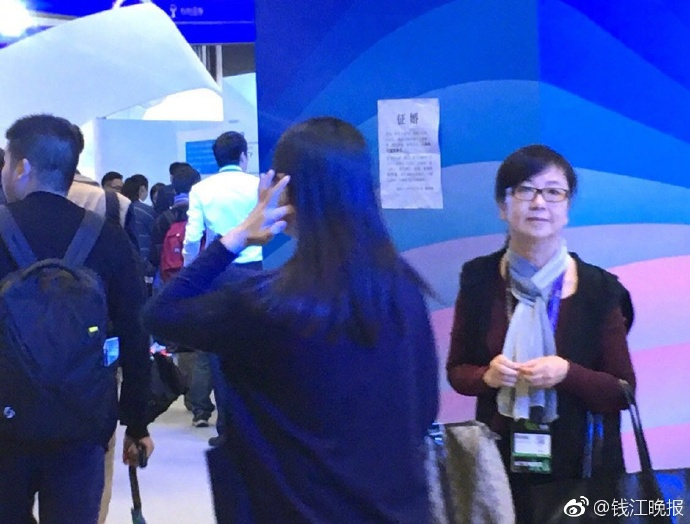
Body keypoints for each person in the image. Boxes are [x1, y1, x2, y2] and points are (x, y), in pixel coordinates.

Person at [144, 117, 438, 523]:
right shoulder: (405, 290)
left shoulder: (264, 303)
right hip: (397, 510)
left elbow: (160, 314)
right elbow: (425, 408)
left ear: (283, 190)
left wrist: (236, 237)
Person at [445, 144, 636, 523]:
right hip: (499, 465)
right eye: (525, 190)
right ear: (503, 206)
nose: (538, 203)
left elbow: (622, 390)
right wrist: (487, 376)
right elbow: (457, 371)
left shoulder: (600, 289)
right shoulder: (478, 279)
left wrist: (567, 372)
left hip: (583, 470)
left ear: (567, 206)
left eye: (553, 192)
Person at [0, 114, 154, 523]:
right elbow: (135, 332)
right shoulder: (107, 237)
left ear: (22, 167)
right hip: (83, 423)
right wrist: (136, 422)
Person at [182, 131, 260, 434]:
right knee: (255, 344)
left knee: (218, 347)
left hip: (219, 270)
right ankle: (254, 422)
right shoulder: (257, 185)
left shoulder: (201, 189)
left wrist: (193, 270)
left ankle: (226, 425)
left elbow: (193, 237)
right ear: (243, 155)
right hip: (255, 270)